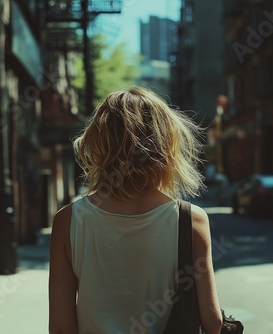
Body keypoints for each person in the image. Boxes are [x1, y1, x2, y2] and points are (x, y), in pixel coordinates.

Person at [48, 86, 222, 334]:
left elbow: (61, 327)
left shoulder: (69, 221)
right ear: (167, 144)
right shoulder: (190, 220)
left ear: (98, 145)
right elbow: (213, 323)